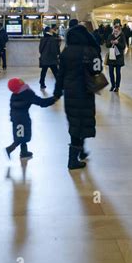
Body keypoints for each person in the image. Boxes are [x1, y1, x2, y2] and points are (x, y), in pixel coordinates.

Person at [54, 22, 100, 170]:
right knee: (84, 121)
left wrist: (57, 91)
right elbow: (97, 70)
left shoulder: (66, 52)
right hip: (86, 92)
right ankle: (76, 156)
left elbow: (60, 75)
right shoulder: (90, 51)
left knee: (74, 123)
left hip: (70, 92)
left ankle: (76, 155)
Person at [5, 77, 57, 160]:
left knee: (21, 135)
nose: (22, 80)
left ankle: (24, 152)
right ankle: (10, 149)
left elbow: (11, 108)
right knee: (22, 137)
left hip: (16, 118)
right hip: (23, 118)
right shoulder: (27, 93)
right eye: (20, 81)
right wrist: (54, 99)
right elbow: (41, 102)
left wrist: (12, 118)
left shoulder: (14, 95)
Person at [105, 23, 126, 91]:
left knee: (118, 72)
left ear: (119, 31)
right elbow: (107, 45)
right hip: (111, 56)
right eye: (114, 31)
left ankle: (117, 86)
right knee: (111, 72)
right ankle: (112, 85)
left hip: (119, 57)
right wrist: (111, 42)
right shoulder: (110, 36)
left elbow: (123, 46)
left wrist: (118, 43)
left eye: (116, 31)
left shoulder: (122, 36)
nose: (115, 32)